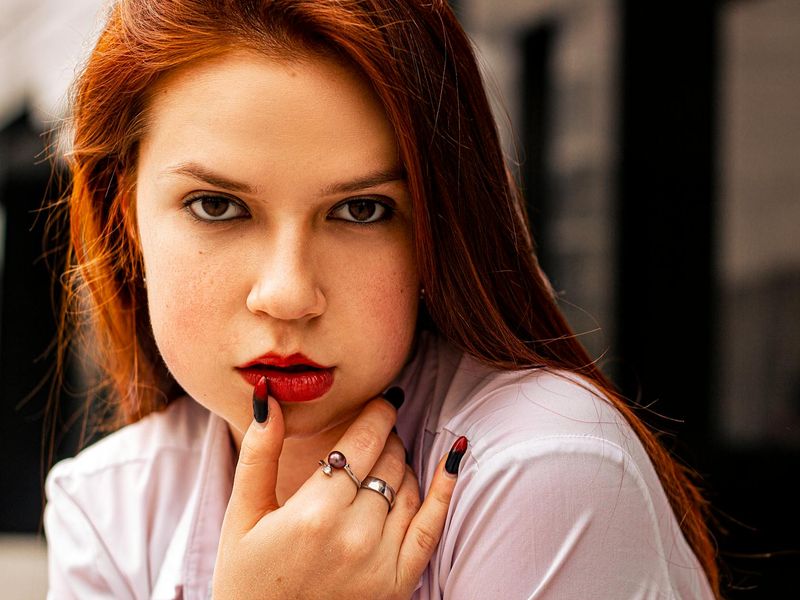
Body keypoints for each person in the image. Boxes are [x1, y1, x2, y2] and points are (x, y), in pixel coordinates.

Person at [43, 1, 720, 598]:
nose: (288, 295)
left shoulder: (542, 472)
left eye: (361, 210)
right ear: (127, 215)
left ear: (436, 228)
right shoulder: (109, 511)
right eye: (216, 206)